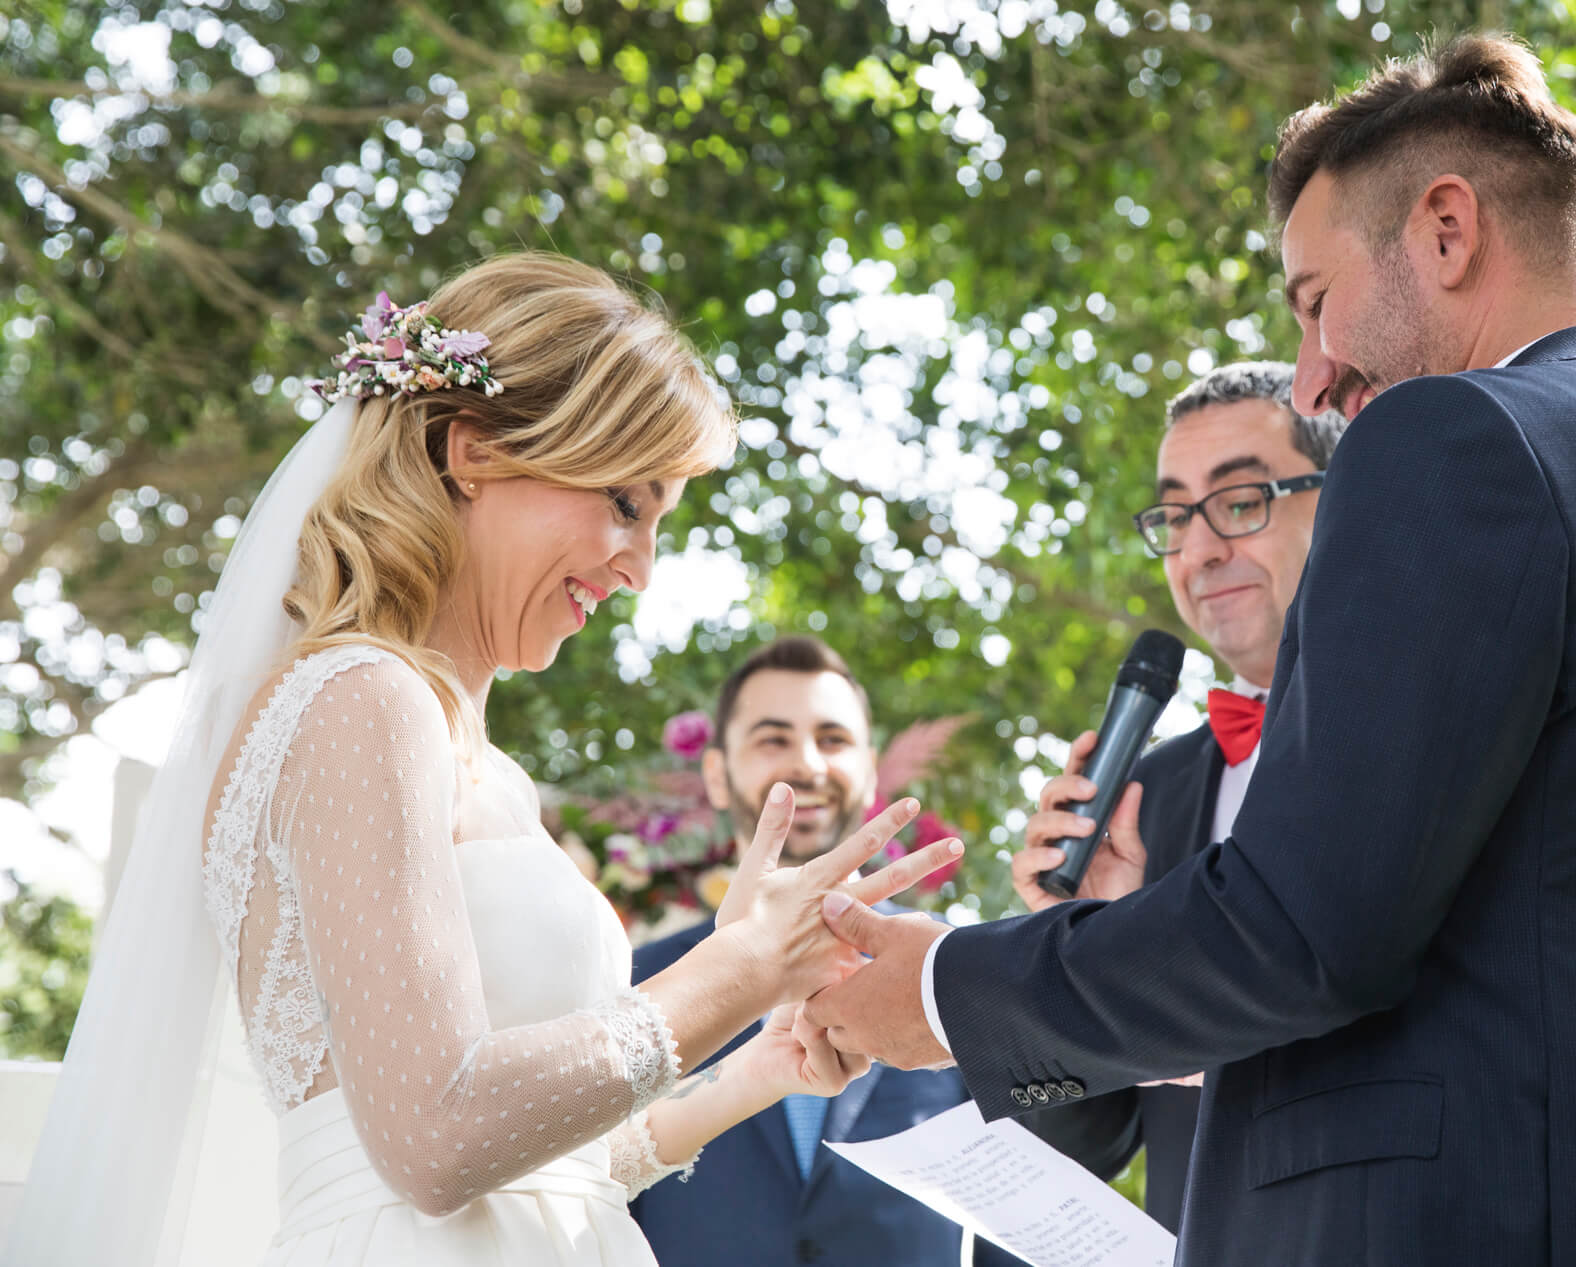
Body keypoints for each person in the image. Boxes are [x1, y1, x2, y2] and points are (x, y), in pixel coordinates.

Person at [806, 34, 1576, 1266]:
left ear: (1444, 230)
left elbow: (1302, 933)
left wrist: (936, 990)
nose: (1316, 369)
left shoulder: (1451, 435)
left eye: (1312, 300)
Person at [5, 253, 959, 1267]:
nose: (639, 569)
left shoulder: (483, 769)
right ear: (476, 452)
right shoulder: (361, 699)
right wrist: (733, 968)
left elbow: (557, 1174)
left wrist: (757, 1065)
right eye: (626, 505)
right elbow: (436, 1135)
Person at [1012, 362, 1345, 1233]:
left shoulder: (1426, 741)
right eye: (1174, 518)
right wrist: (1068, 948)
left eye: (1240, 503)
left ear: (1344, 501)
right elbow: (1082, 1140)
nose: (1199, 551)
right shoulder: (1145, 796)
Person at [631, 636, 1024, 1266]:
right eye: (773, 739)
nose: (808, 765)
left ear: (869, 769)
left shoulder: (955, 967)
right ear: (717, 773)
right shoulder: (638, 980)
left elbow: (1012, 1213)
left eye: (833, 739)